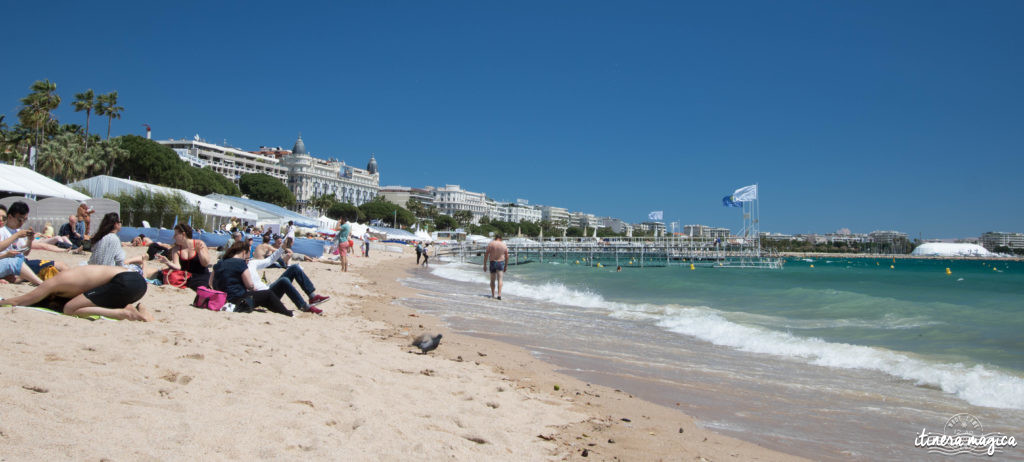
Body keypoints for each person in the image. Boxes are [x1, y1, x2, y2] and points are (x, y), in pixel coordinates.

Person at [0, 264, 151, 321]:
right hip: (138, 285)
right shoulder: (67, 279)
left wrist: (3, 302)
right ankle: (138, 308)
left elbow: (20, 301)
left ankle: (125, 313)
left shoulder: (54, 283)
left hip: (125, 281)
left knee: (69, 309)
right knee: (80, 304)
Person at [248, 239, 328, 314]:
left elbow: (270, 260)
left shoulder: (251, 263)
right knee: (284, 280)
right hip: (262, 296)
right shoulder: (239, 267)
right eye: (248, 250)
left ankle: (313, 297)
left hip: (269, 290)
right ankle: (304, 306)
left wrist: (282, 248)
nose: (250, 252)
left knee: (295, 268)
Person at [210, 242, 292, 317]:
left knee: (263, 297)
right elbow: (249, 285)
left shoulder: (220, 263)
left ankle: (281, 311)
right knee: (268, 294)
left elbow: (210, 283)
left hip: (221, 298)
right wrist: (254, 289)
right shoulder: (241, 263)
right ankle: (287, 313)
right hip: (237, 299)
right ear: (243, 252)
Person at [0, 202, 70, 277]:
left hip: (23, 262)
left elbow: (25, 253)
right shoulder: (3, 230)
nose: (22, 223)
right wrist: (16, 235)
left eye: (25, 220)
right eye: (20, 220)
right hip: (14, 264)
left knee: (60, 268)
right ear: (10, 217)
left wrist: (30, 240)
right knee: (61, 267)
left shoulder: (18, 231)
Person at [156, 223, 211, 291]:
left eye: (176, 234)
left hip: (200, 276)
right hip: (184, 277)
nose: (174, 237)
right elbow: (178, 267)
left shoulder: (199, 243)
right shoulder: (176, 249)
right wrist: (167, 262)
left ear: (183, 234)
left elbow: (205, 263)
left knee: (201, 287)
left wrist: (199, 252)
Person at [484, 234, 509, 300]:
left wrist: (484, 265)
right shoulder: (503, 245)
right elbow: (507, 256)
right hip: (500, 262)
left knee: (492, 280)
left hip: (492, 262)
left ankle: (492, 295)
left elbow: (486, 254)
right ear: (500, 238)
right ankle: (499, 295)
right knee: (500, 279)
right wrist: (506, 266)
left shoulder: (491, 244)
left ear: (495, 238)